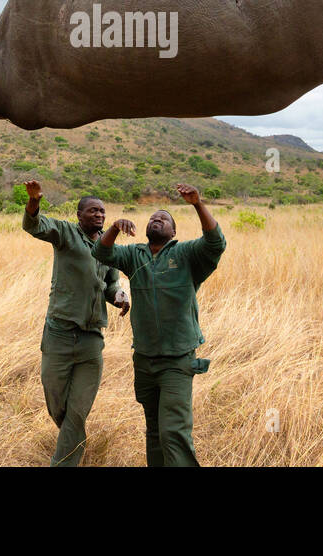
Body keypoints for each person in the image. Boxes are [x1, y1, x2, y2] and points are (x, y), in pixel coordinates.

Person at [92, 183, 224, 467]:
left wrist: (198, 204)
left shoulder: (187, 255)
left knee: (173, 432)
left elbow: (216, 243)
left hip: (177, 360)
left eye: (164, 218)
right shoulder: (134, 254)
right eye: (153, 217)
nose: (157, 219)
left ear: (173, 232)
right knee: (154, 431)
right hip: (144, 359)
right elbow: (101, 254)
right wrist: (114, 227)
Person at [22, 179, 130, 466]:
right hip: (59, 334)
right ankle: (73, 439)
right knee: (57, 405)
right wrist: (34, 201)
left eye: (103, 211)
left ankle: (65, 459)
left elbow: (110, 285)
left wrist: (119, 296)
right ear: (79, 215)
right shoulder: (66, 233)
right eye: (93, 211)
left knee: (78, 413)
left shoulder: (108, 249)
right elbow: (34, 226)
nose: (100, 215)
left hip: (91, 341)